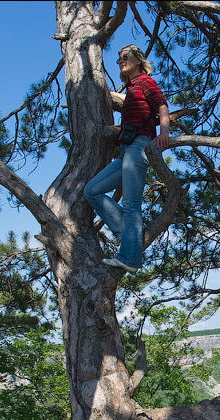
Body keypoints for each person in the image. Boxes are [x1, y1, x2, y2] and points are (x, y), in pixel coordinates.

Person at [84, 44, 170, 273]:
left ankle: (130, 259)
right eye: (119, 59)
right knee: (91, 190)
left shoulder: (145, 81)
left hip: (140, 145)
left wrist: (164, 133)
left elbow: (162, 105)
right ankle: (128, 232)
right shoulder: (132, 88)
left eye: (126, 57)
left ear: (138, 60)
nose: (121, 61)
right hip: (126, 150)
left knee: (132, 204)